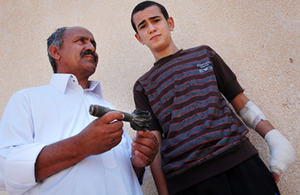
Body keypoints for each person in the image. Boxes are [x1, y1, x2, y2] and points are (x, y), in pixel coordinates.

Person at [130, 1, 295, 195]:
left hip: (240, 161)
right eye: (143, 26)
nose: (151, 28)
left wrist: (276, 139)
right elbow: (154, 146)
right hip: (189, 181)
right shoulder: (143, 86)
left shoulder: (205, 54)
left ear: (170, 23)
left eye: (156, 20)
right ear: (139, 38)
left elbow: (242, 104)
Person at [0, 26, 158, 195]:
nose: (91, 47)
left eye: (93, 43)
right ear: (55, 52)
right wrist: (80, 146)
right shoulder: (27, 100)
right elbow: (4, 171)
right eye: (81, 41)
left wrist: (138, 163)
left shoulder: (109, 107)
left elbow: (124, 179)